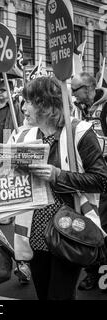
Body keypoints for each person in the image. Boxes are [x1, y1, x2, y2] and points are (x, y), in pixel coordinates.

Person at [13, 76, 107, 300]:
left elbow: (100, 179)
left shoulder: (80, 132)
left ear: (45, 105)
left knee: (60, 295)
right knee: (44, 293)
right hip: (35, 231)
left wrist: (58, 176)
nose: (23, 108)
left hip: (69, 230)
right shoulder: (23, 135)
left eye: (28, 102)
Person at [71, 72, 107, 291]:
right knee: (88, 223)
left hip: (102, 178)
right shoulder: (79, 109)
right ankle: (94, 270)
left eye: (75, 90)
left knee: (100, 226)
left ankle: (99, 273)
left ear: (88, 88)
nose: (73, 95)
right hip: (85, 177)